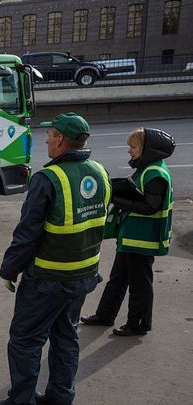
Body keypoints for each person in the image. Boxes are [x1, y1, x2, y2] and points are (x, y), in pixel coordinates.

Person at [0, 112, 109, 405]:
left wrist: (9, 270)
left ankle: (22, 404)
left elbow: (27, 234)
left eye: (49, 135)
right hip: (83, 275)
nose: (46, 140)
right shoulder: (99, 172)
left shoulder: (48, 178)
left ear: (59, 140)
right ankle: (61, 398)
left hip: (48, 278)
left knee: (25, 340)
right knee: (66, 336)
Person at [80, 127, 174, 336]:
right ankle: (105, 315)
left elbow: (150, 207)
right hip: (131, 236)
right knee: (118, 277)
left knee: (139, 284)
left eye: (133, 147)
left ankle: (138, 324)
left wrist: (117, 197)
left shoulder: (155, 172)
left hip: (142, 239)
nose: (129, 151)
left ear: (148, 149)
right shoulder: (147, 167)